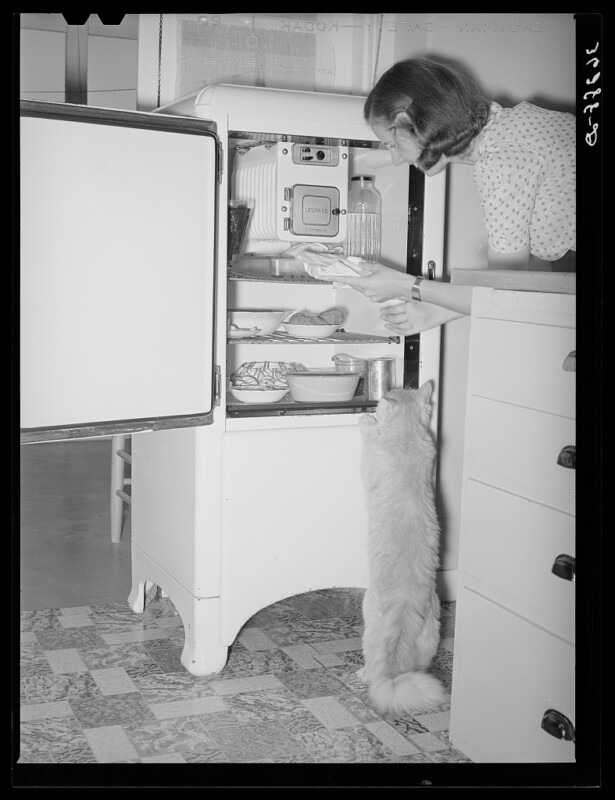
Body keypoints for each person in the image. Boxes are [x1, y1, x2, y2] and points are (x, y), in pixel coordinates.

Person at [336, 58, 576, 335]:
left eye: (392, 145)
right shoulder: (514, 123)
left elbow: (505, 295)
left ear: (421, 127)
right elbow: (527, 279)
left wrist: (406, 285)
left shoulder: (501, 165)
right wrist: (437, 311)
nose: (396, 158)